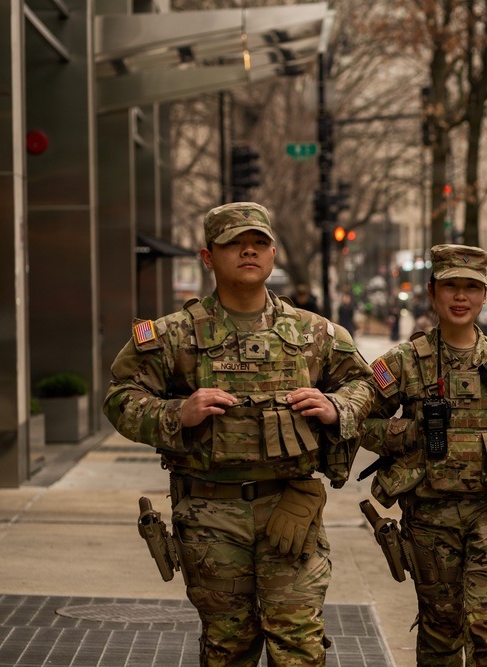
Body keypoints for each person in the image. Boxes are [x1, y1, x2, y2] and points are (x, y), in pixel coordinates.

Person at [103, 202, 375, 666]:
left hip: (290, 508)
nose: (248, 250)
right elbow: (120, 396)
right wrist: (175, 414)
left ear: (272, 255)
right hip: (210, 515)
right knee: (228, 647)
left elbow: (365, 383)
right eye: (233, 243)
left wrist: (336, 406)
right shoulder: (172, 335)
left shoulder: (314, 333)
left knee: (300, 647)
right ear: (208, 257)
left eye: (259, 243)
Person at [358, 244, 487, 666]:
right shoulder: (404, 362)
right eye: (451, 287)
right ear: (432, 293)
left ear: (484, 296)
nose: (461, 297)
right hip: (430, 521)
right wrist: (410, 433)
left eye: (471, 287)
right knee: (440, 632)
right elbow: (359, 419)